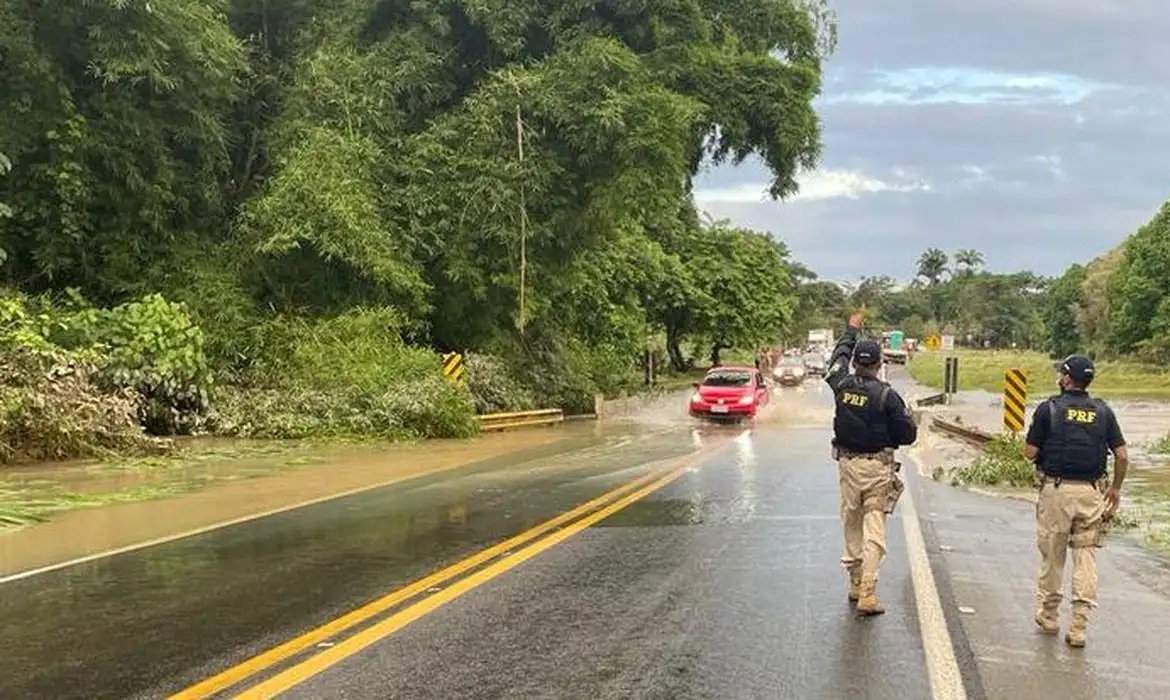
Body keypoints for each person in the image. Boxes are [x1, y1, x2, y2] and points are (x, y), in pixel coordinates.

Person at [1024, 354, 1128, 648]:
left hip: (1056, 492)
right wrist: (1115, 489)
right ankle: (1079, 625)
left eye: (1062, 374)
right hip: (1092, 494)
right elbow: (1121, 455)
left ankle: (1049, 615)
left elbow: (1030, 453)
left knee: (1053, 556)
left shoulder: (1049, 410)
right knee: (1086, 557)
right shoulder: (1104, 412)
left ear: (1067, 379)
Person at [824, 310, 918, 615]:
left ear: (855, 363)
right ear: (879, 364)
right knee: (874, 524)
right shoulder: (888, 397)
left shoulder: (840, 384)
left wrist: (850, 330)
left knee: (851, 521)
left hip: (848, 466)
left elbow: (837, 357)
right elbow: (907, 436)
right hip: (877, 469)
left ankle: (854, 582)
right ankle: (868, 589)